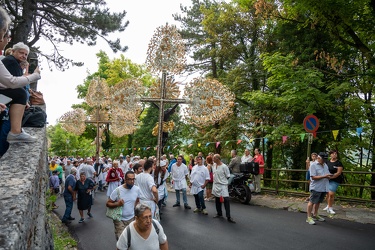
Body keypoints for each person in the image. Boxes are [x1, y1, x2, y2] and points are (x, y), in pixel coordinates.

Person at [106, 171, 140, 240]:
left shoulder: (137, 189)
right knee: (122, 240)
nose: (132, 181)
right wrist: (117, 204)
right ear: (125, 179)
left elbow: (137, 201)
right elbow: (108, 203)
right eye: (130, 179)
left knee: (130, 240)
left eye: (133, 179)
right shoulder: (118, 190)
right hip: (119, 219)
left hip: (131, 219)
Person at [306, 152, 332, 225]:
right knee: (311, 201)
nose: (324, 161)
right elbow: (313, 177)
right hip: (316, 187)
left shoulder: (325, 165)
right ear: (319, 158)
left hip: (324, 187)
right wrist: (324, 176)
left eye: (325, 160)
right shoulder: (313, 165)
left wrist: (330, 176)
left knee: (318, 202)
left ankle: (315, 214)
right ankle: (308, 217)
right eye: (323, 159)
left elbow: (327, 173)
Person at [212, 154, 236, 223]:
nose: (213, 159)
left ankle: (228, 216)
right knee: (217, 199)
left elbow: (228, 176)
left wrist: (224, 182)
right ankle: (219, 213)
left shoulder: (224, 166)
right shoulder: (214, 165)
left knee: (226, 200)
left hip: (222, 185)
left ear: (217, 159)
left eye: (214, 158)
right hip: (216, 185)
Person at [324, 149, 344, 215]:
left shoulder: (339, 163)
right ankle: (328, 205)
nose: (334, 155)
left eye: (335, 154)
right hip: (327, 179)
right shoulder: (327, 162)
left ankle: (330, 207)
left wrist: (332, 177)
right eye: (333, 153)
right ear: (330, 155)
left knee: (331, 193)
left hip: (335, 180)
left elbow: (338, 173)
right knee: (327, 194)